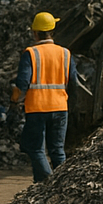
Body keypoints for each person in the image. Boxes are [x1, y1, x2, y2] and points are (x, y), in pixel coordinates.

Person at [12, 11, 80, 183]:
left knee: (36, 149)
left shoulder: (31, 53)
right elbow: (74, 82)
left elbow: (22, 83)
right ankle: (63, 185)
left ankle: (46, 184)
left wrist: (14, 101)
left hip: (37, 108)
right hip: (60, 108)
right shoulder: (65, 53)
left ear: (35, 33)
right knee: (57, 150)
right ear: (53, 31)